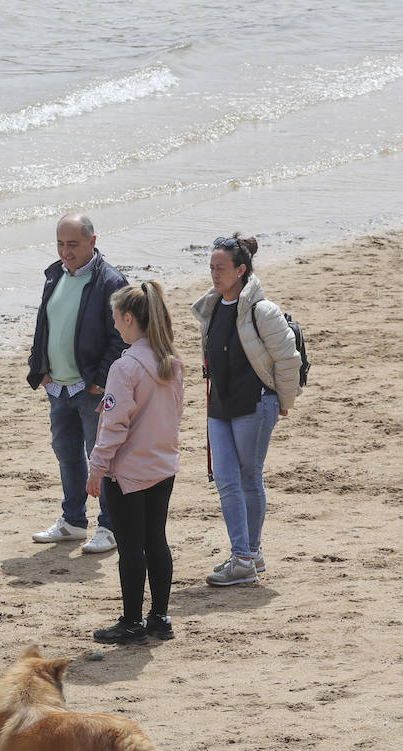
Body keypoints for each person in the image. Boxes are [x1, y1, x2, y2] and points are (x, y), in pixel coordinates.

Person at [191, 234, 301, 586]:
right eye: (211, 268)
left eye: (220, 268)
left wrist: (284, 402)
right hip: (219, 405)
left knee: (248, 478)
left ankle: (246, 555)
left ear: (241, 270)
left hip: (255, 403)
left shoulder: (261, 310)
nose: (214, 274)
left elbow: (288, 359)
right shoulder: (210, 307)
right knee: (225, 480)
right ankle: (246, 555)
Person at [85, 281, 184, 644]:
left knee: (131, 547)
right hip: (162, 466)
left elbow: (114, 423)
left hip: (128, 471)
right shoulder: (171, 362)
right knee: (156, 539)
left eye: (116, 320)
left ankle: (131, 621)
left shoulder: (125, 368)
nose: (114, 327)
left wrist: (97, 467)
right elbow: (176, 414)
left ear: (129, 318)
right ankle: (159, 616)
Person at [26, 214, 128, 554]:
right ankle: (72, 521)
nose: (65, 252)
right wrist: (38, 366)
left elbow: (120, 338)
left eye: (72, 244)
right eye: (60, 244)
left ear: (92, 242)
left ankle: (110, 527)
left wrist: (99, 381)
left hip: (91, 390)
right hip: (58, 387)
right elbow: (46, 325)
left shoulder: (110, 282)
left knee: (102, 458)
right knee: (67, 454)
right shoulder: (54, 274)